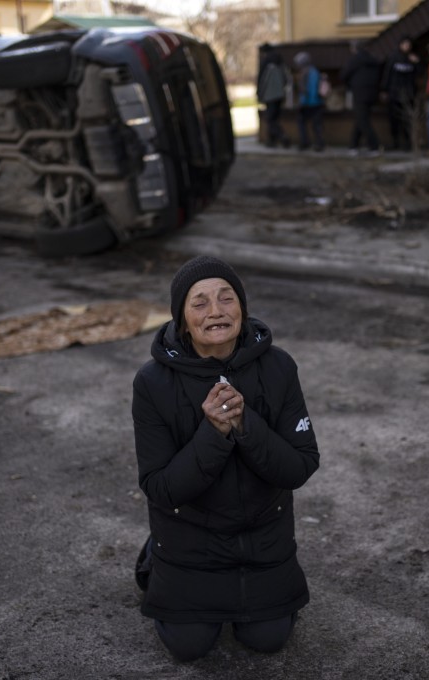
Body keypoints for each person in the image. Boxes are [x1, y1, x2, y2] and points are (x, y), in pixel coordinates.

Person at [132, 255, 320, 662]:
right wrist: (214, 433)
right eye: (199, 303)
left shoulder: (279, 367)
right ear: (181, 321)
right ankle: (155, 555)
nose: (215, 311)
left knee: (267, 638)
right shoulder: (152, 383)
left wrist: (244, 424)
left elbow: (300, 466)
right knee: (189, 646)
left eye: (226, 298)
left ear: (243, 309)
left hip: (262, 539)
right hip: (190, 539)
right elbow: (160, 488)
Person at [341, 41, 383, 155]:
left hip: (359, 93)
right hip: (372, 93)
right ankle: (353, 146)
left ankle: (375, 146)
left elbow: (344, 75)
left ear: (354, 49)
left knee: (363, 120)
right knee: (361, 119)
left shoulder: (355, 60)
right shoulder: (373, 59)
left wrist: (349, 85)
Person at [384, 35, 421, 152]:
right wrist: (384, 90)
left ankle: (408, 144)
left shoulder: (412, 59)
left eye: (408, 45)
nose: (406, 47)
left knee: (407, 121)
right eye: (404, 44)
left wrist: (417, 62)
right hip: (394, 94)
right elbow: (387, 75)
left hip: (409, 94)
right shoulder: (393, 58)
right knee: (394, 120)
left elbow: (420, 73)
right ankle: (395, 142)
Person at [257, 48, 291, 148]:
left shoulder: (267, 67)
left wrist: (260, 94)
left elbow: (263, 82)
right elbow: (286, 80)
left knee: (270, 120)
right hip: (279, 96)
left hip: (270, 97)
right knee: (274, 119)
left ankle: (282, 136)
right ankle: (271, 141)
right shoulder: (281, 66)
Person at [293, 52, 325, 152]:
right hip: (316, 102)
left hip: (309, 103)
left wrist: (303, 102)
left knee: (303, 123)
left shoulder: (305, 73)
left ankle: (305, 143)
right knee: (316, 125)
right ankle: (318, 143)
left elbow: (307, 90)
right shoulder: (315, 71)